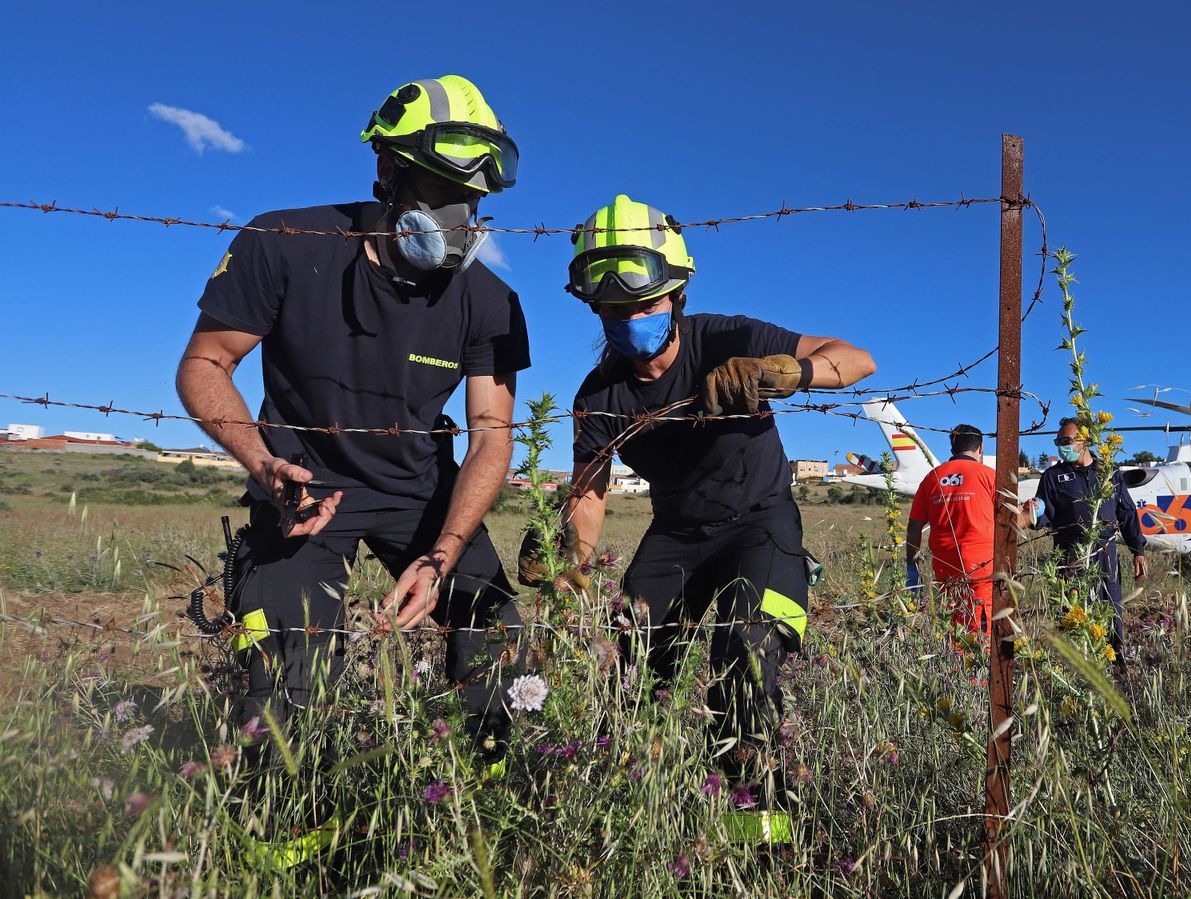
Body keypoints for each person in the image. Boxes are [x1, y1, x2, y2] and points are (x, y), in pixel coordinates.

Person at [175, 75, 529, 860]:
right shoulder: (283, 243)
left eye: (471, 201)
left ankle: (490, 814)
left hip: (422, 494)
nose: (458, 219)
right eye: (439, 190)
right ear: (386, 174)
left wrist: (442, 556)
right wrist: (261, 463)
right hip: (301, 485)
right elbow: (204, 364)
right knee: (292, 662)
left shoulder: (490, 301)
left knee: (499, 633)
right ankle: (291, 845)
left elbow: (492, 436)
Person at [522, 195, 875, 843]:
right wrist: (562, 555)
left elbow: (855, 359)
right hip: (676, 536)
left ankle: (758, 843)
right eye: (615, 308)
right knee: (623, 671)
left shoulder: (726, 339)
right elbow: (591, 496)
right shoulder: (599, 397)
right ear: (594, 307)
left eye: (646, 301)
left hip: (760, 524)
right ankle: (630, 820)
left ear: (677, 295)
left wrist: (787, 371)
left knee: (742, 665)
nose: (631, 318)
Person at [1026, 418, 1148, 662]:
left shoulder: (1109, 472)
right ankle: (1075, 669)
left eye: (1066, 441)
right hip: (1071, 555)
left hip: (1105, 554)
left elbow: (1126, 513)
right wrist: (1031, 512)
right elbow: (1044, 511)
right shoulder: (1053, 476)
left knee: (1109, 610)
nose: (1061, 446)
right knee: (1072, 613)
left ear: (1085, 441)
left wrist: (1138, 550)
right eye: (1058, 441)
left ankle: (1114, 665)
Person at [905, 424, 996, 637]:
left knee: (953, 617)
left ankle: (956, 666)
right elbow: (1009, 519)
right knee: (980, 623)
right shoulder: (989, 476)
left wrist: (911, 565)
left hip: (944, 564)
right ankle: (976, 666)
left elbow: (914, 526)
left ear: (952, 447)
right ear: (980, 447)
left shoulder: (932, 478)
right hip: (982, 566)